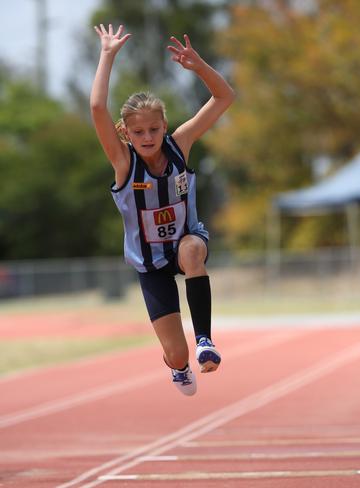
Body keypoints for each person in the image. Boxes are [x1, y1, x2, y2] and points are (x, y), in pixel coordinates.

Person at [90, 23, 235, 396]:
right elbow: (96, 108)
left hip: (188, 243)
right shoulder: (125, 164)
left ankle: (205, 338)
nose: (148, 138)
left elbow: (224, 98)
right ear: (126, 133)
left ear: (164, 126)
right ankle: (180, 364)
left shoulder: (179, 145)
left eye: (154, 129)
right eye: (139, 133)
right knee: (175, 352)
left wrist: (199, 66)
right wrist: (107, 55)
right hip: (150, 264)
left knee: (191, 249)